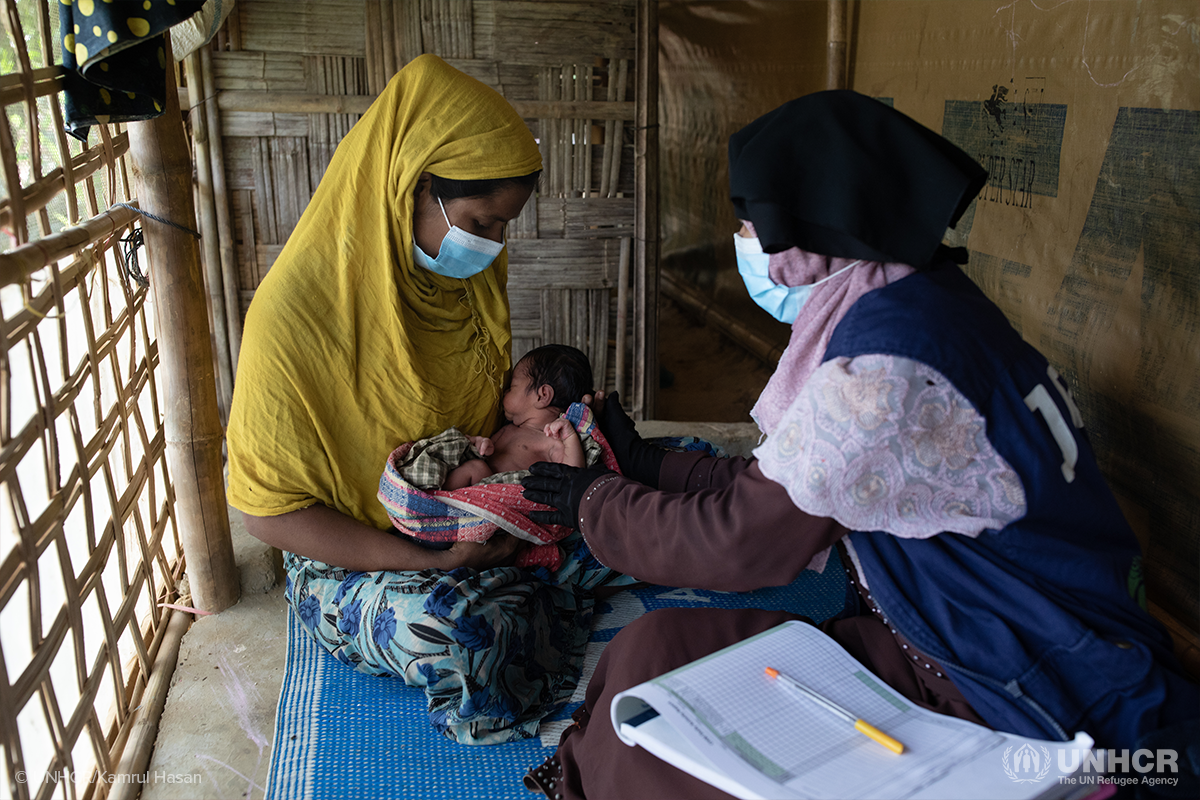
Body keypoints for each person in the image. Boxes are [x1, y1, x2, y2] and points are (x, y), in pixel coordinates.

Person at [520, 91, 1199, 797]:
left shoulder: (882, 373)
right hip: (933, 629)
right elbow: (779, 485)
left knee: (660, 750)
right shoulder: (927, 300)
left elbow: (738, 539)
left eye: (750, 224)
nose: (744, 242)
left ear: (812, 232)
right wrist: (646, 463)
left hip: (1002, 675)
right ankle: (580, 774)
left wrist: (591, 498)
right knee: (649, 651)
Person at [225, 55, 634, 745]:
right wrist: (437, 560)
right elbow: (267, 515)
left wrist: (517, 494)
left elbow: (485, 433)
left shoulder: (464, 287)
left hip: (478, 521)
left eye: (503, 227)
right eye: (482, 221)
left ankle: (539, 581)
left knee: (623, 502)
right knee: (461, 631)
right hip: (361, 557)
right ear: (408, 188)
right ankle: (519, 602)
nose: (493, 246)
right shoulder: (293, 317)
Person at [443, 344, 594, 490]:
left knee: (476, 468)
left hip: (509, 499)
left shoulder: (552, 440)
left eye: (511, 387)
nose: (504, 393)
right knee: (475, 467)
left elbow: (572, 478)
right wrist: (480, 444)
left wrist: (570, 436)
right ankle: (432, 502)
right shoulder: (506, 428)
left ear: (542, 395)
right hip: (480, 491)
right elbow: (482, 453)